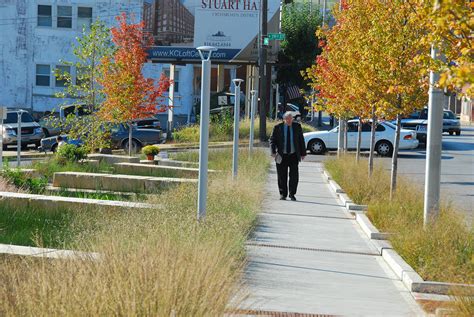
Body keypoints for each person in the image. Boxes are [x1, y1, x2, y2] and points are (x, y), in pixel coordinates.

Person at [270, 111, 306, 201]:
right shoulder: (278, 127)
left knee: (294, 176)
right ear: (284, 119)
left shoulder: (297, 127)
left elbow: (301, 140)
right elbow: (272, 140)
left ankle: (292, 194)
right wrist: (273, 151)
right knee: (282, 176)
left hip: (293, 155)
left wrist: (303, 153)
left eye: (291, 119)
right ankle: (283, 194)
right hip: (282, 155)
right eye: (288, 119)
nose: (290, 121)